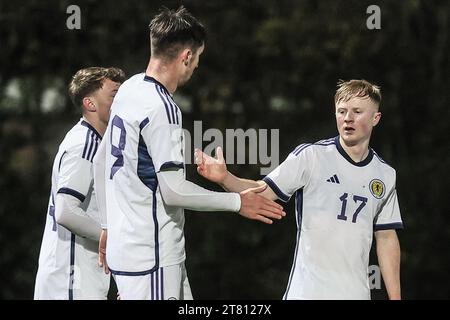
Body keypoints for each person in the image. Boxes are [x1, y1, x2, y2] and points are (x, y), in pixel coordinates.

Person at [93, 6, 284, 300]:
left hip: (136, 251)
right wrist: (237, 202)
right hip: (151, 258)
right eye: (198, 58)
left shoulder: (129, 88)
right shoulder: (163, 107)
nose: (196, 66)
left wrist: (107, 225)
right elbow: (173, 191)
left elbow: (102, 159)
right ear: (186, 57)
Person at [195, 79, 403, 300]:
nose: (347, 118)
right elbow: (262, 190)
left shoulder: (385, 175)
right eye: (341, 111)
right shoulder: (311, 157)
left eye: (357, 111)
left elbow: (387, 238)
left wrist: (396, 297)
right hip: (307, 293)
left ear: (375, 118)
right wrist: (225, 178)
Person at [34, 67, 125, 299]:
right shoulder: (85, 144)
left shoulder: (97, 142)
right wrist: (112, 238)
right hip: (71, 283)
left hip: (79, 280)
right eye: (115, 95)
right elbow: (65, 212)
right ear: (90, 104)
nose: (123, 101)